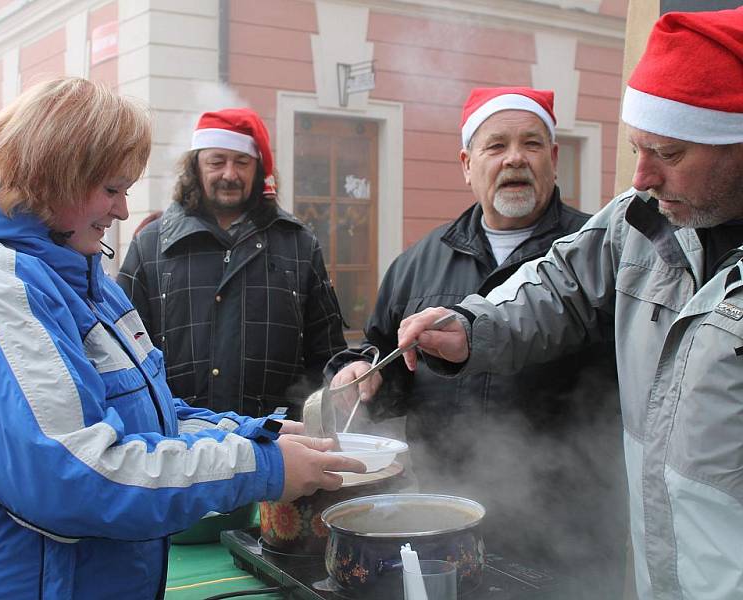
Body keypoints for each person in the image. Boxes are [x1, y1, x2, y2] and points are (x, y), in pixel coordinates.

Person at [0, 77, 363, 599]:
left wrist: (261, 432)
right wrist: (260, 465)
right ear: (54, 176)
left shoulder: (77, 267)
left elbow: (152, 414)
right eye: (112, 189)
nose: (122, 209)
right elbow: (76, 477)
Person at [397, 8, 743, 599]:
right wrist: (472, 326)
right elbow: (560, 283)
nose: (643, 176)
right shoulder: (639, 219)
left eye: (670, 153)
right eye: (638, 148)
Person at [327, 87, 624, 587]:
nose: (514, 159)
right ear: (467, 163)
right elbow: (383, 360)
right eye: (495, 146)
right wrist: (356, 371)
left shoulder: (595, 255)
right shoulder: (418, 263)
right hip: (442, 514)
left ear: (553, 159)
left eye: (531, 144)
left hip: (569, 526)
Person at [118, 108, 346, 420]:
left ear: (259, 169)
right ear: (195, 167)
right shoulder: (151, 243)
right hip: (177, 443)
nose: (229, 174)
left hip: (278, 444)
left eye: (242, 162)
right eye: (217, 161)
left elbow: (327, 355)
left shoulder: (299, 244)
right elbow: (124, 354)